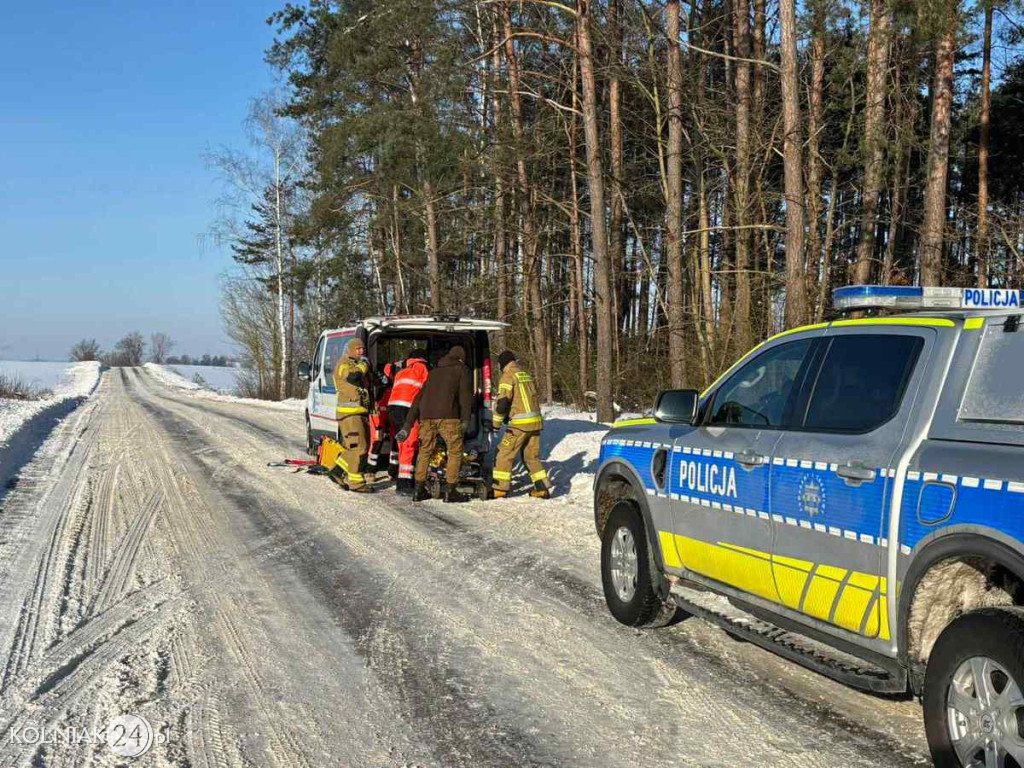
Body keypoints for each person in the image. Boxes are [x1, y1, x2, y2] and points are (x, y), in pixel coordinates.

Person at [397, 344, 473, 503]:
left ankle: (418, 490)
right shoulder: (462, 369)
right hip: (449, 416)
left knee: (425, 451)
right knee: (454, 450)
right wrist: (465, 420)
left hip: (426, 416)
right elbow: (466, 397)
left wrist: (407, 425)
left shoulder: (433, 372)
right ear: (461, 358)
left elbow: (418, 399)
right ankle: (451, 490)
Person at [492, 350, 550, 499]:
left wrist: (496, 424)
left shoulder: (507, 376)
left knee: (504, 453)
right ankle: (542, 488)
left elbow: (502, 404)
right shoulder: (524, 374)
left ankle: (500, 489)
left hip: (520, 424)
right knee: (531, 457)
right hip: (535, 422)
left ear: (502, 363)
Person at [328, 338, 373, 493]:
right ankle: (357, 483)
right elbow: (352, 377)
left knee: (355, 447)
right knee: (360, 449)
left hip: (358, 412)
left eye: (362, 349)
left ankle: (336, 471)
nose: (361, 352)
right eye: (358, 349)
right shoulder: (344, 364)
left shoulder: (354, 363)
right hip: (350, 414)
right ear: (351, 349)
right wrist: (364, 365)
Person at [387, 350, 429, 496]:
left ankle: (399, 476)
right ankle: (404, 484)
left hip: (393, 408)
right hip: (407, 409)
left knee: (401, 444)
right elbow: (427, 390)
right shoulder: (422, 368)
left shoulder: (402, 371)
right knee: (409, 445)